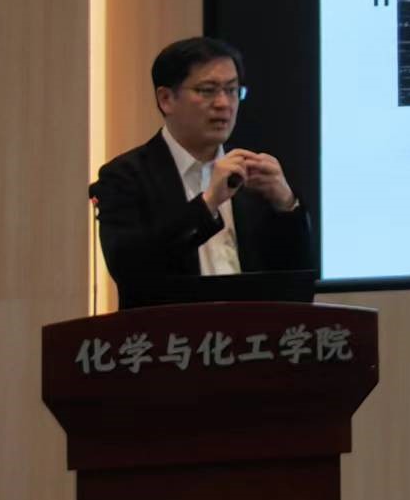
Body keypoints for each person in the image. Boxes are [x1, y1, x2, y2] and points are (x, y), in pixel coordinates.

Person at [93, 37, 312, 307]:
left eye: (232, 90)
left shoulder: (254, 174)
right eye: (208, 90)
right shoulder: (125, 176)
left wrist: (286, 205)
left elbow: (299, 281)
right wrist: (208, 204)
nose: (223, 103)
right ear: (166, 99)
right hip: (171, 331)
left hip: (251, 331)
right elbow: (130, 270)